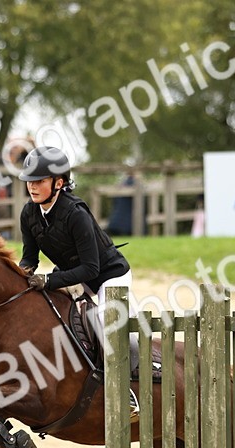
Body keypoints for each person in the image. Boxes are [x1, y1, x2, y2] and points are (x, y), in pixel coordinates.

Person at [17, 145, 138, 420]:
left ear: (59, 183)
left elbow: (91, 268)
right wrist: (18, 278)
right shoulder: (29, 214)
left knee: (109, 324)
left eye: (39, 181)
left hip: (108, 275)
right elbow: (29, 259)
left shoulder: (76, 214)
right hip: (72, 273)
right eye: (29, 182)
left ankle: (126, 393)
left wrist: (48, 280)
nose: (32, 187)